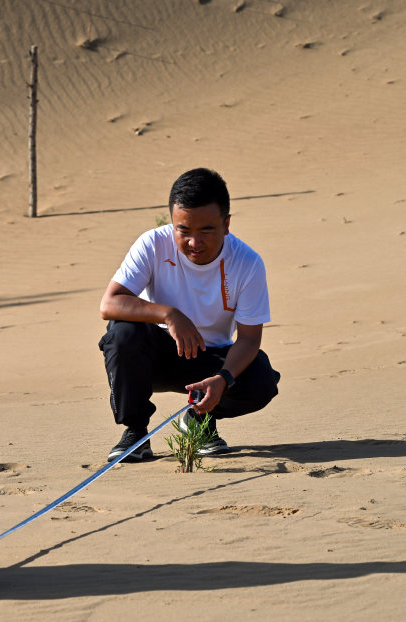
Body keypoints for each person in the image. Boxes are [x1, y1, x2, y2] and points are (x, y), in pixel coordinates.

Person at [98, 168, 280, 462]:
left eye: (206, 231)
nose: (194, 243)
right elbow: (109, 304)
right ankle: (136, 433)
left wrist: (222, 378)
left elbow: (248, 339)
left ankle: (199, 419)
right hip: (154, 357)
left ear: (226, 224)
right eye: (183, 230)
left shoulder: (248, 262)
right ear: (172, 223)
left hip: (211, 360)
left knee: (260, 377)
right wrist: (170, 315)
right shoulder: (152, 244)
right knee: (122, 333)